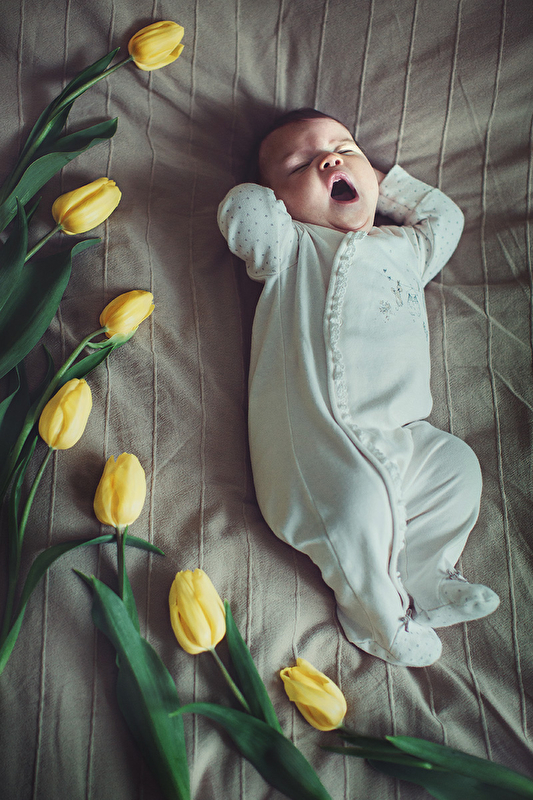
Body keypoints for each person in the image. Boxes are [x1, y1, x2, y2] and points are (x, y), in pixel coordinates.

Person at [217, 109, 499, 667]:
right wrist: (278, 190)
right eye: (300, 164)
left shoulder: (406, 249)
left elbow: (445, 216)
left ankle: (429, 575)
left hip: (405, 435)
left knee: (457, 466)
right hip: (318, 445)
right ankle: (377, 619)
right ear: (281, 201)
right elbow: (242, 210)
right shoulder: (291, 247)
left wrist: (381, 181)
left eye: (345, 148)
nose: (329, 159)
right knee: (356, 512)